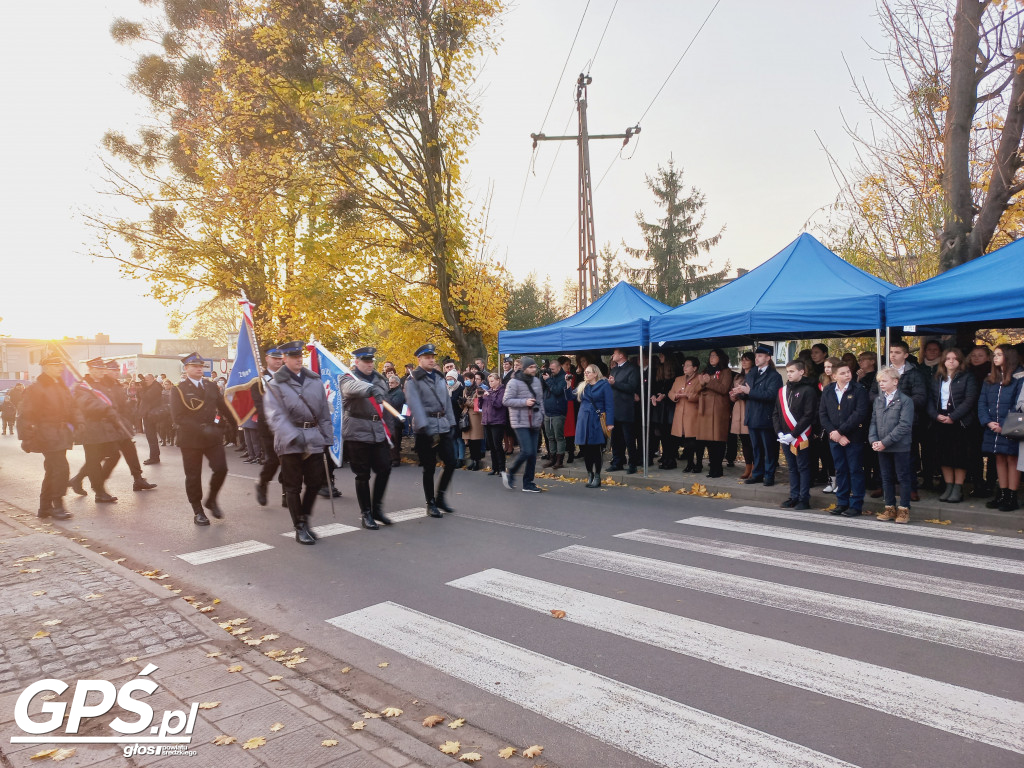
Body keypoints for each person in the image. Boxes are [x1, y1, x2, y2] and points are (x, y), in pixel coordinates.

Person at [263, 341, 335, 543]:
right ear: (284, 359)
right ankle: (300, 527)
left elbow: (322, 412)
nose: (298, 359)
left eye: (300, 356)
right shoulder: (275, 384)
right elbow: (275, 416)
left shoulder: (314, 381)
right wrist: (293, 437)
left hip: (313, 436)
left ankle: (304, 518)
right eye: (293, 356)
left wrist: (327, 438)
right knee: (293, 487)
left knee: (314, 483)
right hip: (290, 440)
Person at [171, 352, 234, 525]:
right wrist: (200, 429)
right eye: (195, 366)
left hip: (212, 436)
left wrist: (235, 423)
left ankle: (211, 499)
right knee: (193, 475)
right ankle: (198, 510)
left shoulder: (210, 386)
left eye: (201, 366)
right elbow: (178, 417)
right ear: (186, 369)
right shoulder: (178, 389)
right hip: (190, 439)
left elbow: (222, 406)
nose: (199, 369)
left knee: (221, 468)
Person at [17, 355, 83, 519]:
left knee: (52, 470)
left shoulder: (61, 386)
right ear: (45, 367)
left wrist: (79, 422)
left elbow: (73, 407)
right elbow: (26, 414)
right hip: (46, 434)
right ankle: (57, 505)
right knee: (61, 469)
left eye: (60, 365)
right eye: (55, 365)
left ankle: (44, 507)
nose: (60, 368)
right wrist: (26, 437)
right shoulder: (37, 388)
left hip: (61, 434)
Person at [341, 347, 393, 531]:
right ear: (357, 362)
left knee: (385, 469)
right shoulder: (346, 377)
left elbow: (386, 408)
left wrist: (390, 430)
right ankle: (366, 513)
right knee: (362, 474)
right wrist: (370, 389)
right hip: (357, 431)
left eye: (371, 360)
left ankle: (377, 508)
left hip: (378, 430)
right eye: (365, 361)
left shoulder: (380, 379)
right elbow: (350, 389)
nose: (370, 364)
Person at [404, 343, 457, 517]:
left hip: (442, 425)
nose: (431, 359)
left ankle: (440, 497)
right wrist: (424, 425)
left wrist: (451, 423)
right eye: (427, 357)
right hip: (425, 428)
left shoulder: (440, 377)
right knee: (429, 467)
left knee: (451, 462)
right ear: (419, 359)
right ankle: (431, 503)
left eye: (433, 357)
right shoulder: (413, 380)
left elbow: (447, 402)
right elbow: (414, 404)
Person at [69, 358, 133, 504]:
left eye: (102, 369)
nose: (100, 372)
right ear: (90, 370)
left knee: (114, 455)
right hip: (90, 428)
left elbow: (113, 403)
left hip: (106, 428)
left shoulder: (103, 385)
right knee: (93, 460)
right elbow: (85, 404)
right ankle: (99, 492)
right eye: (97, 369)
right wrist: (104, 408)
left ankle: (90, 482)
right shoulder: (83, 386)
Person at [871, 340, 928, 502]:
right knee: (882, 456)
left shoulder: (914, 373)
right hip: (883, 419)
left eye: (897, 352)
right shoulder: (882, 373)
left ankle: (910, 489)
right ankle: (881, 486)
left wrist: (898, 404)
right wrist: (884, 403)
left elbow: (920, 397)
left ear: (906, 355)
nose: (893, 355)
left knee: (907, 458)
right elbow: (872, 394)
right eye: (891, 352)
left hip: (907, 420)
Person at [927, 348, 979, 504]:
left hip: (959, 422)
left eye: (954, 358)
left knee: (959, 457)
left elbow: (970, 399)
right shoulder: (937, 377)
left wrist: (953, 417)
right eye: (948, 358)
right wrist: (935, 415)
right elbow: (929, 399)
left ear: (960, 361)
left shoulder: (967, 377)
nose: (951, 361)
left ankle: (958, 488)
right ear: (943, 361)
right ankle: (948, 486)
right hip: (940, 420)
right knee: (944, 456)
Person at [819, 361, 869, 516]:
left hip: (853, 437)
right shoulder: (828, 390)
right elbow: (823, 414)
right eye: (843, 373)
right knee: (840, 470)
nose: (847, 375)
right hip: (834, 437)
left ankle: (856, 505)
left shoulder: (859, 389)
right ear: (834, 376)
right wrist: (834, 432)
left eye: (848, 372)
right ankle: (842, 502)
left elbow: (860, 413)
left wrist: (841, 432)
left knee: (855, 470)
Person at [977, 344, 1024, 512]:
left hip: (1012, 424)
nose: (995, 357)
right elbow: (982, 402)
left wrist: (1004, 425)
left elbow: (1018, 404)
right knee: (998, 458)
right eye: (994, 354)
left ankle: (1012, 495)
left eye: (999, 354)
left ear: (1009, 356)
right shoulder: (990, 378)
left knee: (1012, 458)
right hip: (992, 425)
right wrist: (988, 422)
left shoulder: (1020, 377)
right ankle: (1002, 493)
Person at [870, 366, 915, 524]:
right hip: (882, 445)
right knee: (886, 477)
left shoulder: (905, 401)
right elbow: (873, 422)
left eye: (884, 381)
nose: (881, 384)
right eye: (879, 381)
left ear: (895, 382)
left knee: (902, 476)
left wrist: (884, 442)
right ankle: (889, 507)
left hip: (899, 445)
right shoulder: (879, 400)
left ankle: (904, 509)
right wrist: (874, 440)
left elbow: (904, 425)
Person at [733, 344, 782, 486]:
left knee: (769, 448)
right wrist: (739, 393)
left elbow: (771, 395)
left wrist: (748, 392)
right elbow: (749, 394)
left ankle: (769, 475)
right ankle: (758, 474)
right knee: (756, 448)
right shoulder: (752, 373)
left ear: (768, 358)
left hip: (766, 417)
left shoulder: (774, 376)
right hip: (753, 416)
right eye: (756, 356)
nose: (757, 359)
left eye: (760, 356)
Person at [773, 360, 818, 509]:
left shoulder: (808, 390)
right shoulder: (782, 391)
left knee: (803, 467)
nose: (789, 374)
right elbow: (776, 414)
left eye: (792, 371)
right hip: (785, 437)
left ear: (801, 372)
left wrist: (794, 434)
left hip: (801, 436)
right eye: (788, 371)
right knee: (791, 468)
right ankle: (793, 496)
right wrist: (779, 432)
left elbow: (808, 415)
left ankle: (804, 498)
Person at [502, 356, 545, 493]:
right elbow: (506, 400)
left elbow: (540, 400)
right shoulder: (513, 382)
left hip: (535, 420)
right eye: (531, 367)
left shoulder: (537, 381)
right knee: (527, 450)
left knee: (532, 454)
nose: (534, 369)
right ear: (524, 368)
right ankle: (511, 472)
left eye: (534, 367)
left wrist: (542, 415)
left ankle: (528, 483)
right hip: (520, 421)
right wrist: (524, 402)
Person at [567, 364, 614, 487]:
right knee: (585, 449)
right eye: (585, 372)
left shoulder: (604, 385)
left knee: (596, 450)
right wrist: (568, 384)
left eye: (588, 372)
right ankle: (589, 474)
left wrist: (609, 423)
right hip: (583, 420)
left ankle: (597, 476)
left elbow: (609, 405)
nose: (585, 374)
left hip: (597, 420)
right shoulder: (583, 386)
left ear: (595, 373)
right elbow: (569, 397)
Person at [692, 349, 734, 478]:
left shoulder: (726, 372)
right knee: (709, 440)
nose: (712, 358)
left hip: (718, 409)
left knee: (718, 440)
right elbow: (696, 389)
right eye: (710, 355)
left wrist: (708, 381)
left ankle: (717, 468)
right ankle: (712, 468)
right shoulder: (705, 371)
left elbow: (723, 388)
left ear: (721, 358)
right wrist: (702, 383)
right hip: (705, 409)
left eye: (715, 356)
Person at [252, 347, 284, 507]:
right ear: (267, 359)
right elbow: (260, 406)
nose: (278, 361)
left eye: (280, 358)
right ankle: (262, 483)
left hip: (288, 426)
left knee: (289, 459)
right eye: (275, 358)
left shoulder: (287, 377)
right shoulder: (258, 381)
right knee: (273, 460)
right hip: (268, 426)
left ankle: (288, 493)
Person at [607, 348, 640, 473]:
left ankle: (632, 464)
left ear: (621, 355)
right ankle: (617, 462)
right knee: (616, 439)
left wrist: (615, 383)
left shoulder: (632, 369)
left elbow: (631, 387)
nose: (612, 355)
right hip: (614, 408)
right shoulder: (614, 370)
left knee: (628, 438)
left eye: (614, 353)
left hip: (626, 408)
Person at [669, 356, 703, 472]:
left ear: (695, 368)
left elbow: (701, 396)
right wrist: (676, 396)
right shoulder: (678, 379)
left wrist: (688, 395)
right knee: (686, 441)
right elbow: (670, 393)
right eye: (684, 365)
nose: (685, 367)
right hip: (680, 413)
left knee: (694, 440)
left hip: (693, 413)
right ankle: (690, 463)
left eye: (688, 365)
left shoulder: (700, 379)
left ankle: (698, 463)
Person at [728, 352, 754, 479]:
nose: (743, 362)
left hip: (749, 408)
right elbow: (734, 396)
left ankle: (755, 466)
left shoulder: (754, 375)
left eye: (747, 360)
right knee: (744, 441)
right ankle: (748, 466)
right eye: (742, 360)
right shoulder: (739, 376)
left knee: (752, 440)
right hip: (739, 408)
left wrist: (742, 393)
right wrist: (733, 395)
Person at [651, 354, 679, 469]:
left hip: (670, 407)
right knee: (662, 435)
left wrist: (665, 395)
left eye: (663, 355)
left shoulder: (675, 375)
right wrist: (653, 396)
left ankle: (671, 459)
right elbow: (655, 387)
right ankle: (665, 457)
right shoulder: (660, 372)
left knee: (669, 435)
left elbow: (674, 391)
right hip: (660, 407)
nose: (660, 357)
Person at [541, 358, 568, 469]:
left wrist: (548, 380)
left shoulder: (564, 378)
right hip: (548, 412)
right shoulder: (550, 377)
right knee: (550, 437)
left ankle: (559, 461)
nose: (551, 371)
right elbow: (543, 388)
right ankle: (552, 458)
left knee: (559, 437)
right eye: (550, 369)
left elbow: (557, 391)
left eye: (553, 369)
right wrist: (543, 378)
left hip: (558, 411)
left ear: (559, 367)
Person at [480, 371, 508, 475]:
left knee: (498, 446)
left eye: (492, 381)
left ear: (498, 380)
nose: (490, 383)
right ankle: (494, 467)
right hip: (487, 421)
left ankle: (501, 468)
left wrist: (489, 396)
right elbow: (480, 406)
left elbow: (498, 404)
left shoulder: (502, 391)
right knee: (491, 446)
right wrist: (480, 397)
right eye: (489, 381)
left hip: (497, 421)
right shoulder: (489, 391)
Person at [137, 374, 164, 464]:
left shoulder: (156, 387)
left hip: (151, 415)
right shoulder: (151, 387)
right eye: (145, 380)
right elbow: (139, 397)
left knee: (151, 436)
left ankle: (154, 457)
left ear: (152, 379)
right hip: (148, 414)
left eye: (147, 380)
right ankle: (155, 456)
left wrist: (142, 388)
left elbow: (145, 397)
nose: (145, 382)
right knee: (150, 436)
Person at [384, 374, 406, 467]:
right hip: (390, 421)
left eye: (392, 383)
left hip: (396, 421)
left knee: (395, 441)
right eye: (389, 382)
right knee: (390, 441)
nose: (390, 384)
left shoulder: (399, 393)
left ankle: (396, 460)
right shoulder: (390, 392)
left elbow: (394, 404)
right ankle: (390, 459)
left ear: (397, 383)